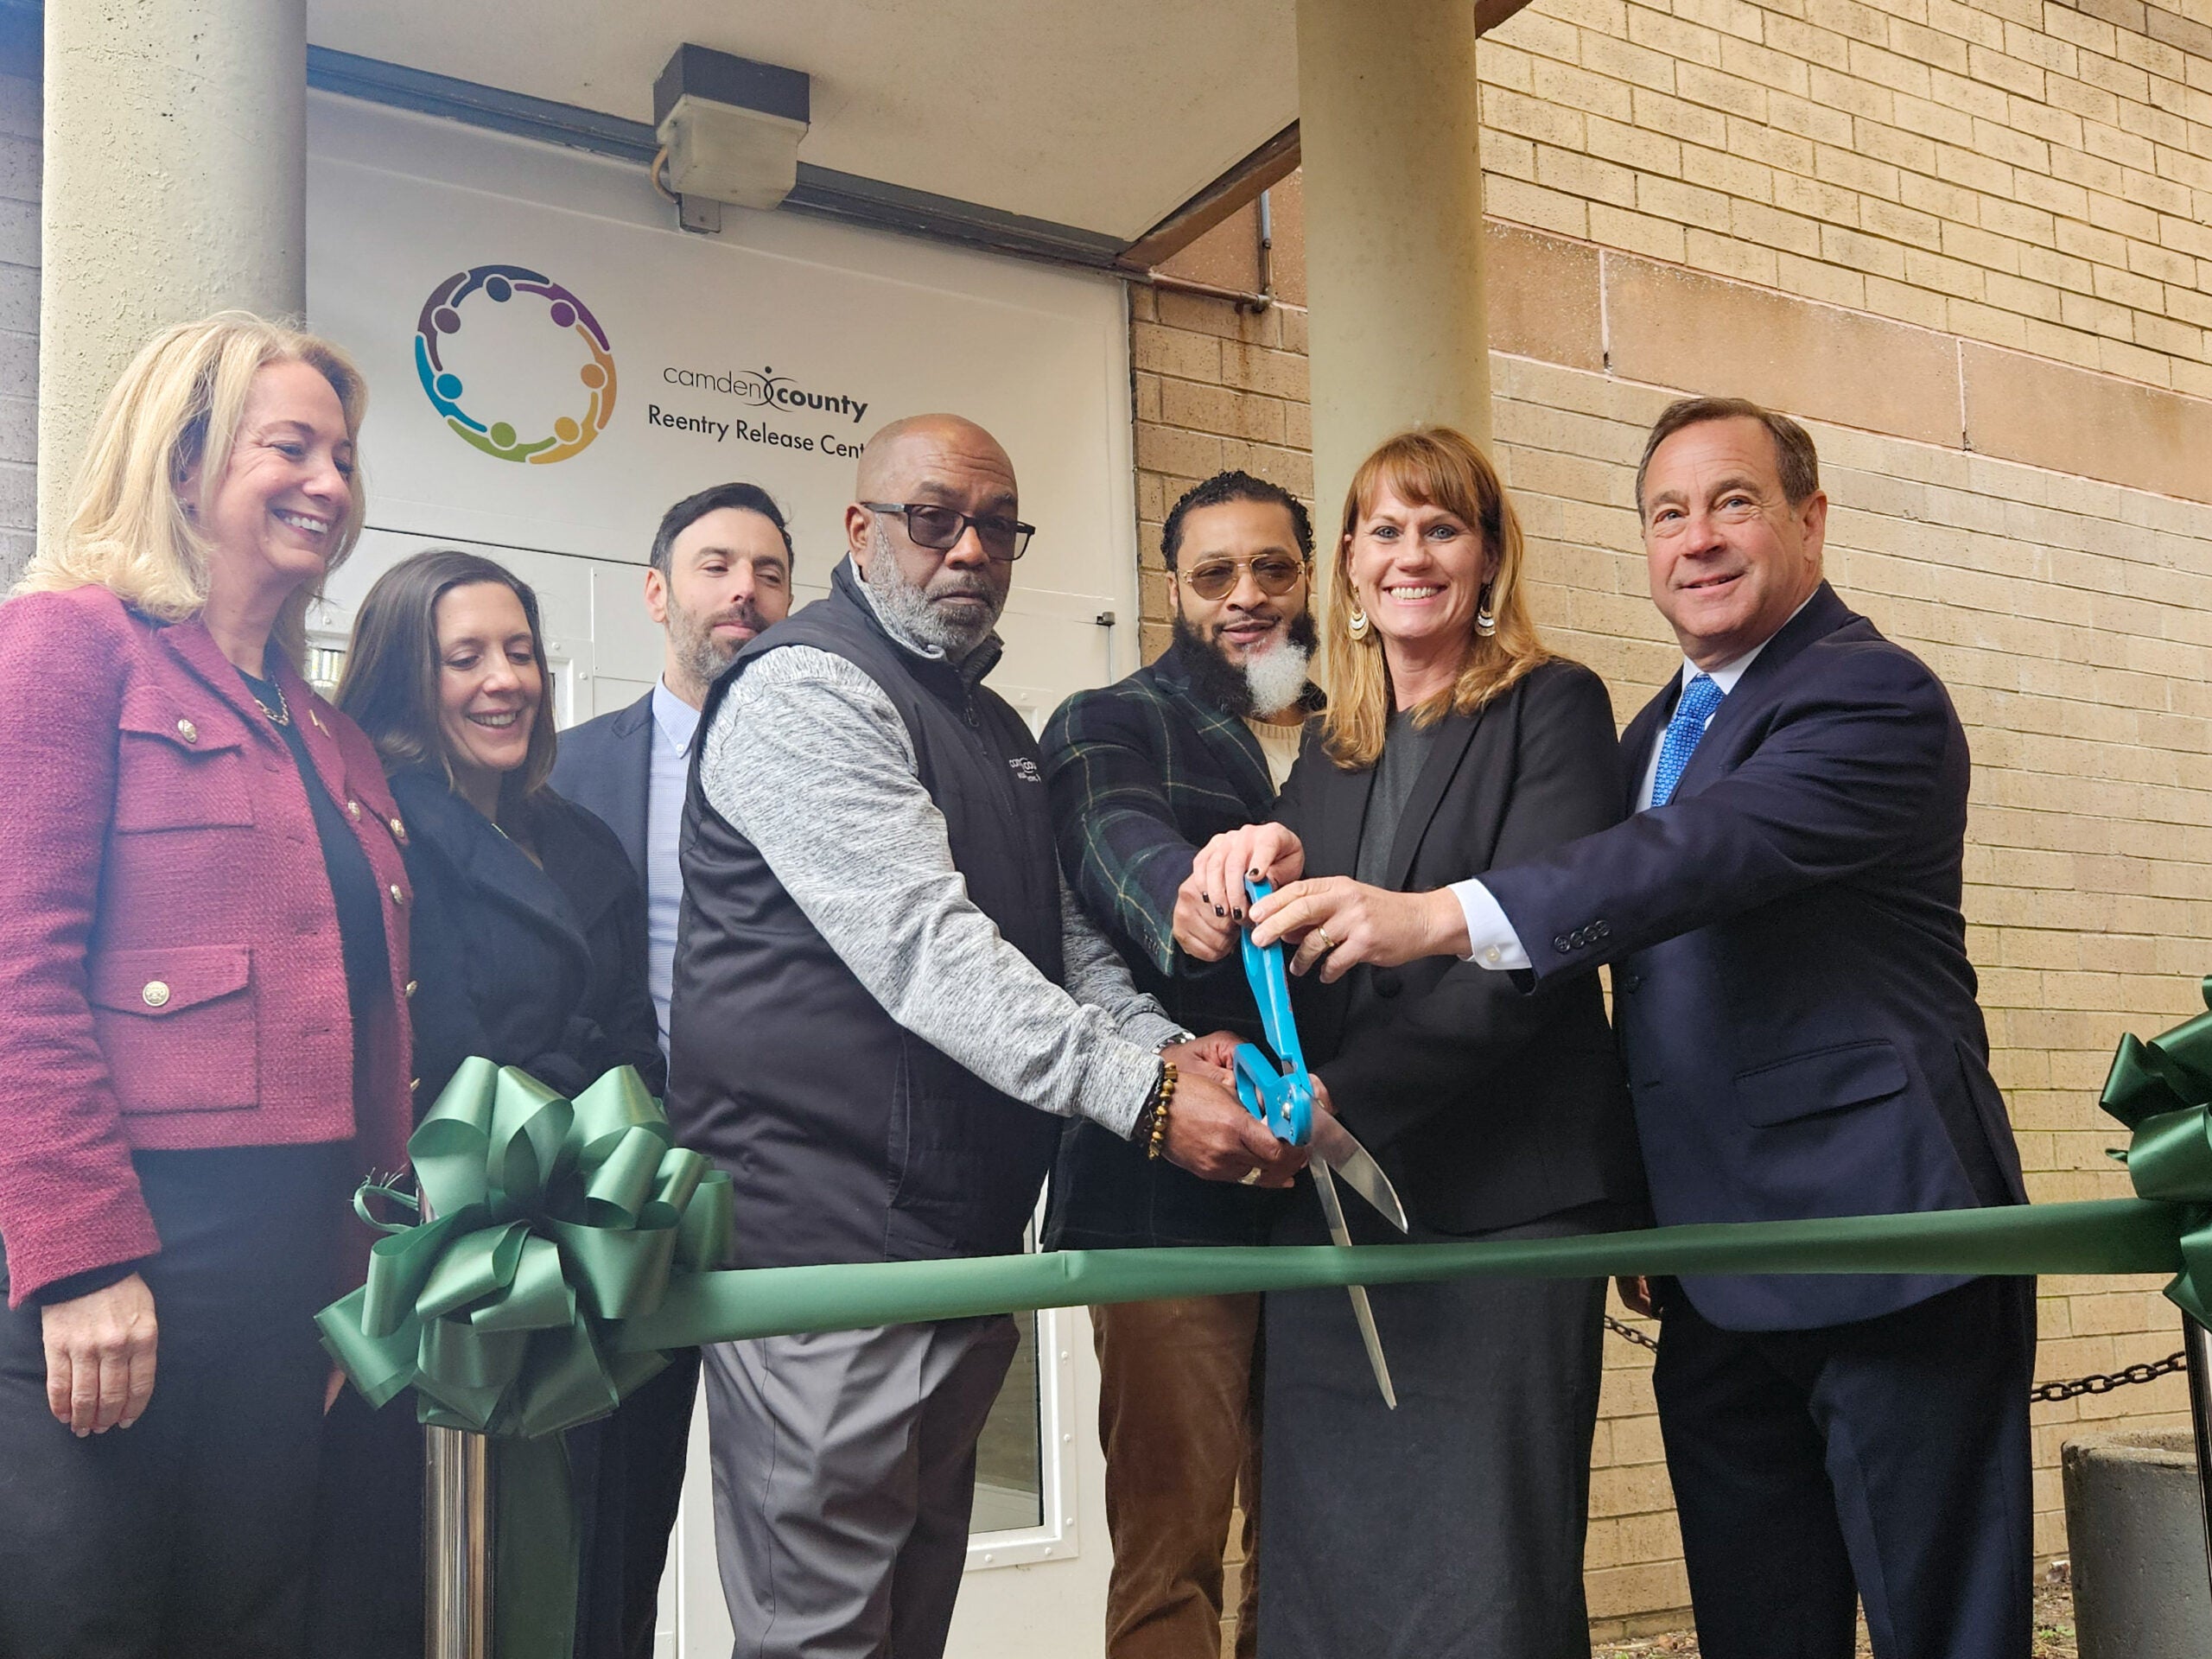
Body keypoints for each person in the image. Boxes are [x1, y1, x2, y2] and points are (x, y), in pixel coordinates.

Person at [1224, 398, 2034, 1659]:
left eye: (1734, 504)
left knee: (1945, 1625)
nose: (1697, 540)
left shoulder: (1871, 695)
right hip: (1712, 1271)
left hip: (1882, 1236)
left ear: (1810, 523)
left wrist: (1437, 916)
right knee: (1758, 1625)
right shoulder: (1659, 732)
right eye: (1668, 515)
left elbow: (1688, 862)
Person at [667, 412, 1302, 1659]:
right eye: (931, 519)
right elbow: (928, 953)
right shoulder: (806, 686)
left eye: (996, 525)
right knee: (822, 1641)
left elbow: (1058, 948)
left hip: (955, 1251)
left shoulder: (995, 729)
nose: (968, 548)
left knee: (904, 1629)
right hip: (828, 1259)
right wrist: (1150, 1099)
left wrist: (1165, 1050)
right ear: (860, 530)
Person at [1177, 428, 1643, 1659]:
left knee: (1487, 1581)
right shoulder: (1333, 746)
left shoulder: (1554, 704)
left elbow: (1536, 957)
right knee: (1331, 1578)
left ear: (1489, 557)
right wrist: (1250, 876)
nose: (1411, 555)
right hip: (1338, 1210)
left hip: (1501, 1209)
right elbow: (1304, 964)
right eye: (1384, 530)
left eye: (1441, 528)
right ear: (1347, 564)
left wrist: (1339, 1102)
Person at [0, 312, 412, 1658]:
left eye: (343, 457)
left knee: (252, 1624)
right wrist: (83, 1260)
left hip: (296, 1261)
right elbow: (19, 974)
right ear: (182, 467)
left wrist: (360, 1270)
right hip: (134, 1244)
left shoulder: (336, 734)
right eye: (287, 446)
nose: (330, 485)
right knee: (86, 1624)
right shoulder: (70, 644)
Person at [312, 550, 665, 1659]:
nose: (503, 679)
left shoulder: (580, 839)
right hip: (436, 1275)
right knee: (431, 1589)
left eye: (518, 651)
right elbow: (435, 1057)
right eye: (462, 657)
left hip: (593, 1261)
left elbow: (633, 1046)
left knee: (592, 1577)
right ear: (406, 678)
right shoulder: (371, 836)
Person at [1040, 468, 1322, 1659]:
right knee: (1174, 1556)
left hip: (1323, 1202)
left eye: (1271, 570)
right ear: (1173, 588)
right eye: (1214, 575)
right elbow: (1120, 847)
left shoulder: (1352, 738)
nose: (1244, 598)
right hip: (1166, 1200)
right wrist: (1188, 901)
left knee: (1311, 1548)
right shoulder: (1109, 717)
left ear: (1313, 582)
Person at [550, 483, 796, 1656]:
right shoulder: (564, 769)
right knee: (611, 1520)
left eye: (768, 571)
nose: (743, 590)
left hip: (790, 1188)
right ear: (657, 594)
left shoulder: (835, 771)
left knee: (801, 1529)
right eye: (714, 566)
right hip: (625, 1189)